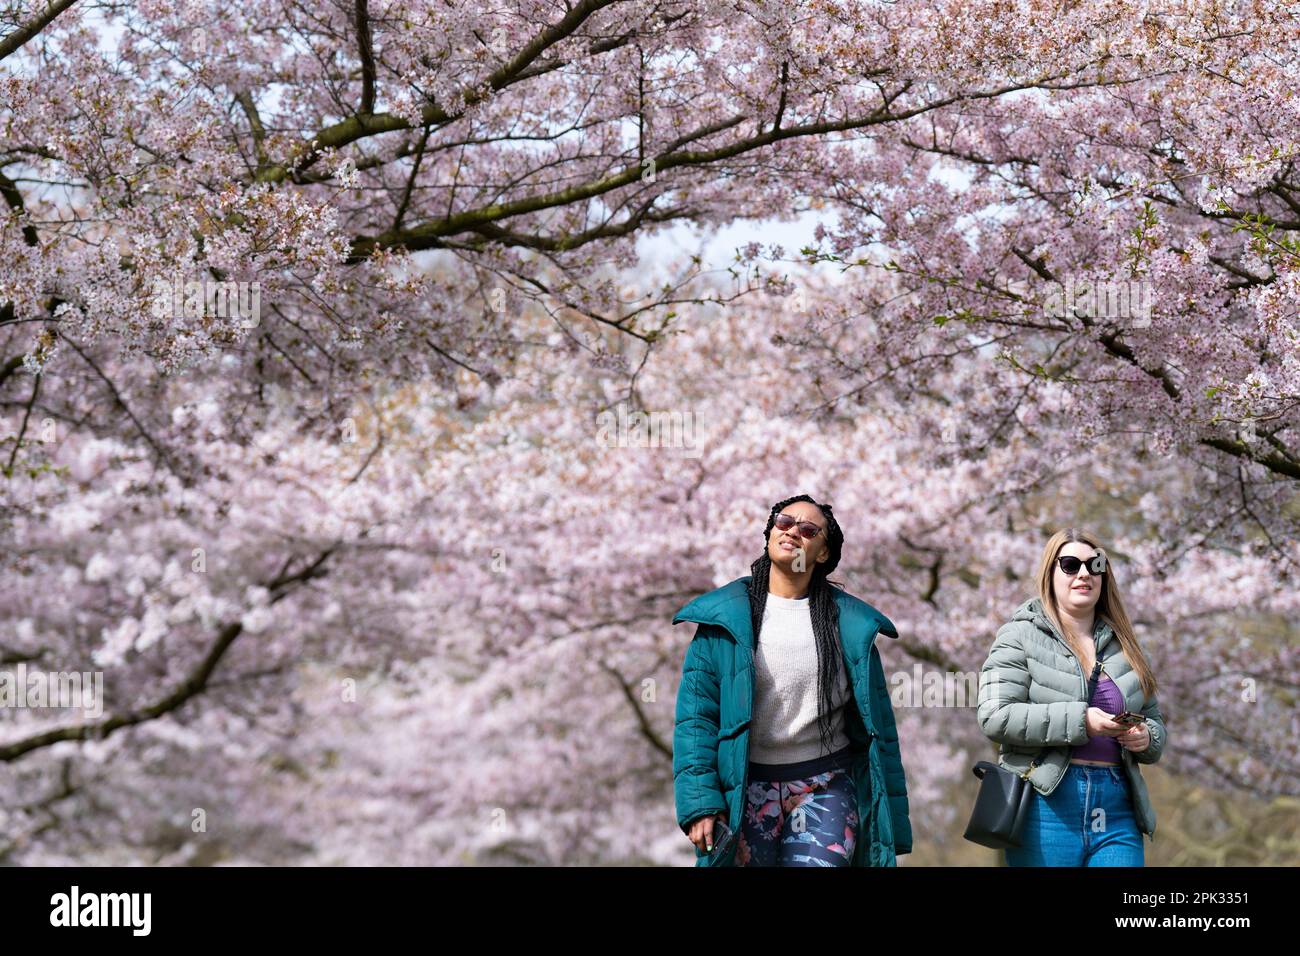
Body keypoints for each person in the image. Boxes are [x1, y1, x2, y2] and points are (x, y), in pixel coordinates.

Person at [671, 494, 911, 866]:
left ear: (823, 553)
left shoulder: (851, 627)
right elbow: (696, 721)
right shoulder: (721, 621)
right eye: (784, 522)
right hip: (745, 790)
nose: (793, 532)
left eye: (808, 529)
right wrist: (700, 803)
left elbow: (881, 733)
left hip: (825, 785)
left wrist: (891, 821)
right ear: (769, 534)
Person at [976, 528, 1168, 866]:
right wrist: (1082, 721)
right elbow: (994, 716)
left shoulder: (1128, 646)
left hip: (1117, 806)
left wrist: (1145, 737)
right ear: (1050, 573)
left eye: (1095, 565)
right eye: (1070, 565)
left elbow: (1155, 722)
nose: (1084, 573)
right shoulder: (1018, 635)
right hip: (1045, 803)